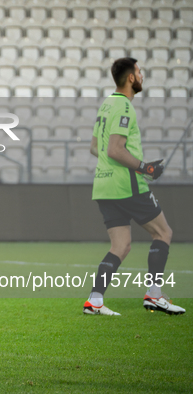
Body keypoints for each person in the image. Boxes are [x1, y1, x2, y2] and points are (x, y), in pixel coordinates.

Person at [83, 57, 185, 316]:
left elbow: (96, 148)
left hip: (104, 187)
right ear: (131, 78)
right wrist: (145, 168)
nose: (141, 76)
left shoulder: (107, 104)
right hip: (126, 185)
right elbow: (115, 149)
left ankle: (94, 301)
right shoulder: (125, 108)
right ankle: (154, 296)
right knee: (163, 233)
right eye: (139, 72)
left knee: (121, 246)